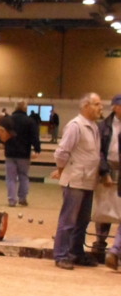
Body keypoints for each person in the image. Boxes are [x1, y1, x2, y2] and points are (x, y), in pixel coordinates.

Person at [51, 93, 104, 270]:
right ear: (86, 106)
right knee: (68, 221)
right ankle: (61, 255)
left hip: (88, 181)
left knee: (83, 220)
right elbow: (61, 153)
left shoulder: (94, 127)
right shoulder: (75, 126)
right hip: (74, 181)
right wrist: (61, 170)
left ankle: (76, 253)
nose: (101, 108)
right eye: (97, 104)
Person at [3, 100, 41, 207]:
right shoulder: (30, 121)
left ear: (14, 108)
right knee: (24, 176)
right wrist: (37, 149)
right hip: (24, 154)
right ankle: (22, 198)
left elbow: (2, 135)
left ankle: (11, 200)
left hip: (10, 153)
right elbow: (35, 137)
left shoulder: (8, 120)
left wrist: (3, 144)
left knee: (10, 178)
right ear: (25, 108)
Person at [99, 95, 121, 270]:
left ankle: (114, 250)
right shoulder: (104, 126)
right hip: (107, 166)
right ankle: (101, 243)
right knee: (104, 208)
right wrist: (104, 171)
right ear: (114, 107)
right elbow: (99, 151)